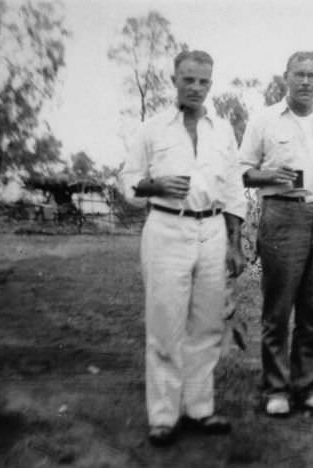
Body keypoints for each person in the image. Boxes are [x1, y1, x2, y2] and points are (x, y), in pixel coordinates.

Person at [119, 50, 246, 446]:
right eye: (188, 79)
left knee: (207, 324)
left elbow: (233, 189)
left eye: (203, 81)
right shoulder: (152, 128)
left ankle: (200, 408)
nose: (196, 87)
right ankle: (163, 415)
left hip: (211, 230)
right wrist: (155, 185)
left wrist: (235, 243)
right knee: (165, 323)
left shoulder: (222, 129)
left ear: (211, 83)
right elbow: (127, 180)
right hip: (166, 229)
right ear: (174, 79)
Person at [239, 51, 313, 416]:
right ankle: (276, 391)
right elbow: (243, 171)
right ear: (285, 77)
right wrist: (270, 176)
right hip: (283, 214)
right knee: (279, 307)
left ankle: (305, 387)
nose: (305, 81)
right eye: (298, 74)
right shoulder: (265, 120)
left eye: (312, 75)